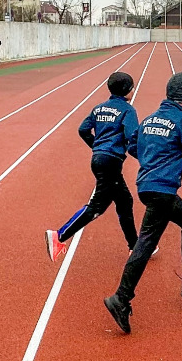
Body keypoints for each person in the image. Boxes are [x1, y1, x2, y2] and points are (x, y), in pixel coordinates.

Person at [103, 71, 182, 335]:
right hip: (162, 190)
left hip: (147, 187)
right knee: (145, 245)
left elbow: (133, 147)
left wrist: (155, 155)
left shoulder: (149, 119)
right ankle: (120, 298)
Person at [46, 70, 140, 262]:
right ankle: (59, 235)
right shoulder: (128, 111)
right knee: (97, 207)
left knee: (125, 201)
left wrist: (96, 146)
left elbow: (83, 129)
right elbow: (132, 137)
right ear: (127, 91)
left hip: (98, 159)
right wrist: (144, 156)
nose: (134, 89)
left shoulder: (99, 108)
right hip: (111, 161)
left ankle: (134, 246)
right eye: (132, 87)